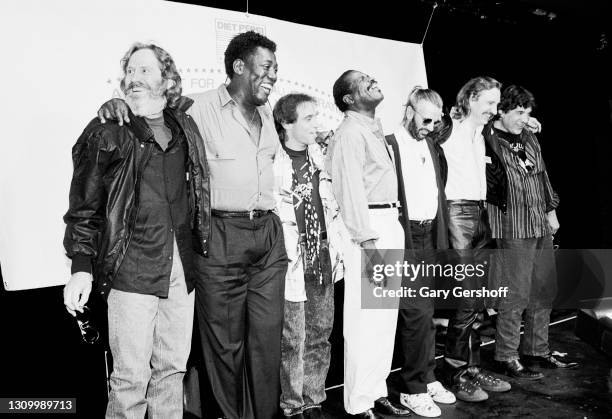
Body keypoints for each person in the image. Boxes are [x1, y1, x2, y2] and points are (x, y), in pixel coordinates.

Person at [96, 31, 288, 419]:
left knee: (267, 343)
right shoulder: (196, 108)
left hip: (267, 235)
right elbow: (151, 107)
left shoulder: (267, 114)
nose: (273, 76)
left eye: (276, 70)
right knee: (222, 347)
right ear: (239, 66)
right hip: (219, 235)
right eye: (266, 67)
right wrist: (117, 103)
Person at [63, 42, 210, 419]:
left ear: (168, 80)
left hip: (181, 272)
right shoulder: (108, 131)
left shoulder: (185, 127)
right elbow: (84, 206)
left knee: (172, 371)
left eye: (145, 70)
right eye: (130, 71)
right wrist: (81, 265)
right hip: (131, 270)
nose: (134, 78)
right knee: (130, 380)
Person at [326, 70, 410, 419]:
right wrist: (368, 241)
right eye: (363, 80)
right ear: (349, 99)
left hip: (387, 222)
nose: (374, 79)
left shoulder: (371, 128)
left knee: (384, 319)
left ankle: (376, 392)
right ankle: (358, 403)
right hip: (368, 228)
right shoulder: (349, 133)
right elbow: (350, 191)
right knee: (364, 321)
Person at [486, 85, 578, 379]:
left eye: (528, 112)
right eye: (518, 112)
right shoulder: (486, 138)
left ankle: (537, 350)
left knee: (544, 290)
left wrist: (552, 212)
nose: (524, 118)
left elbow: (542, 176)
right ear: (501, 110)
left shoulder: (528, 137)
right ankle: (506, 355)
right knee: (516, 294)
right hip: (512, 224)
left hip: (539, 222)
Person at [272, 93, 346, 418]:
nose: (318, 123)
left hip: (322, 256)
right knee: (293, 338)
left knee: (320, 333)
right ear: (287, 124)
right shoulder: (272, 161)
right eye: (308, 118)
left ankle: (313, 398)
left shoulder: (322, 156)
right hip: (291, 259)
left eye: (317, 116)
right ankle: (292, 405)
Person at [438, 76, 512, 402]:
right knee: (466, 295)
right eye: (490, 104)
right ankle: (454, 372)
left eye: (497, 105)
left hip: (480, 214)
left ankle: (472, 368)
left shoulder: (484, 134)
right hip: (457, 213)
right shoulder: (447, 127)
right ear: (470, 98)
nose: (495, 111)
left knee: (481, 296)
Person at [385, 87, 455, 417]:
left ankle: (426, 378)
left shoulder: (429, 143)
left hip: (429, 234)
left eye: (436, 120)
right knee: (415, 314)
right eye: (426, 119)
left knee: (426, 313)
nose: (430, 126)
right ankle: (411, 388)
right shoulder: (389, 143)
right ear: (409, 111)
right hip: (404, 236)